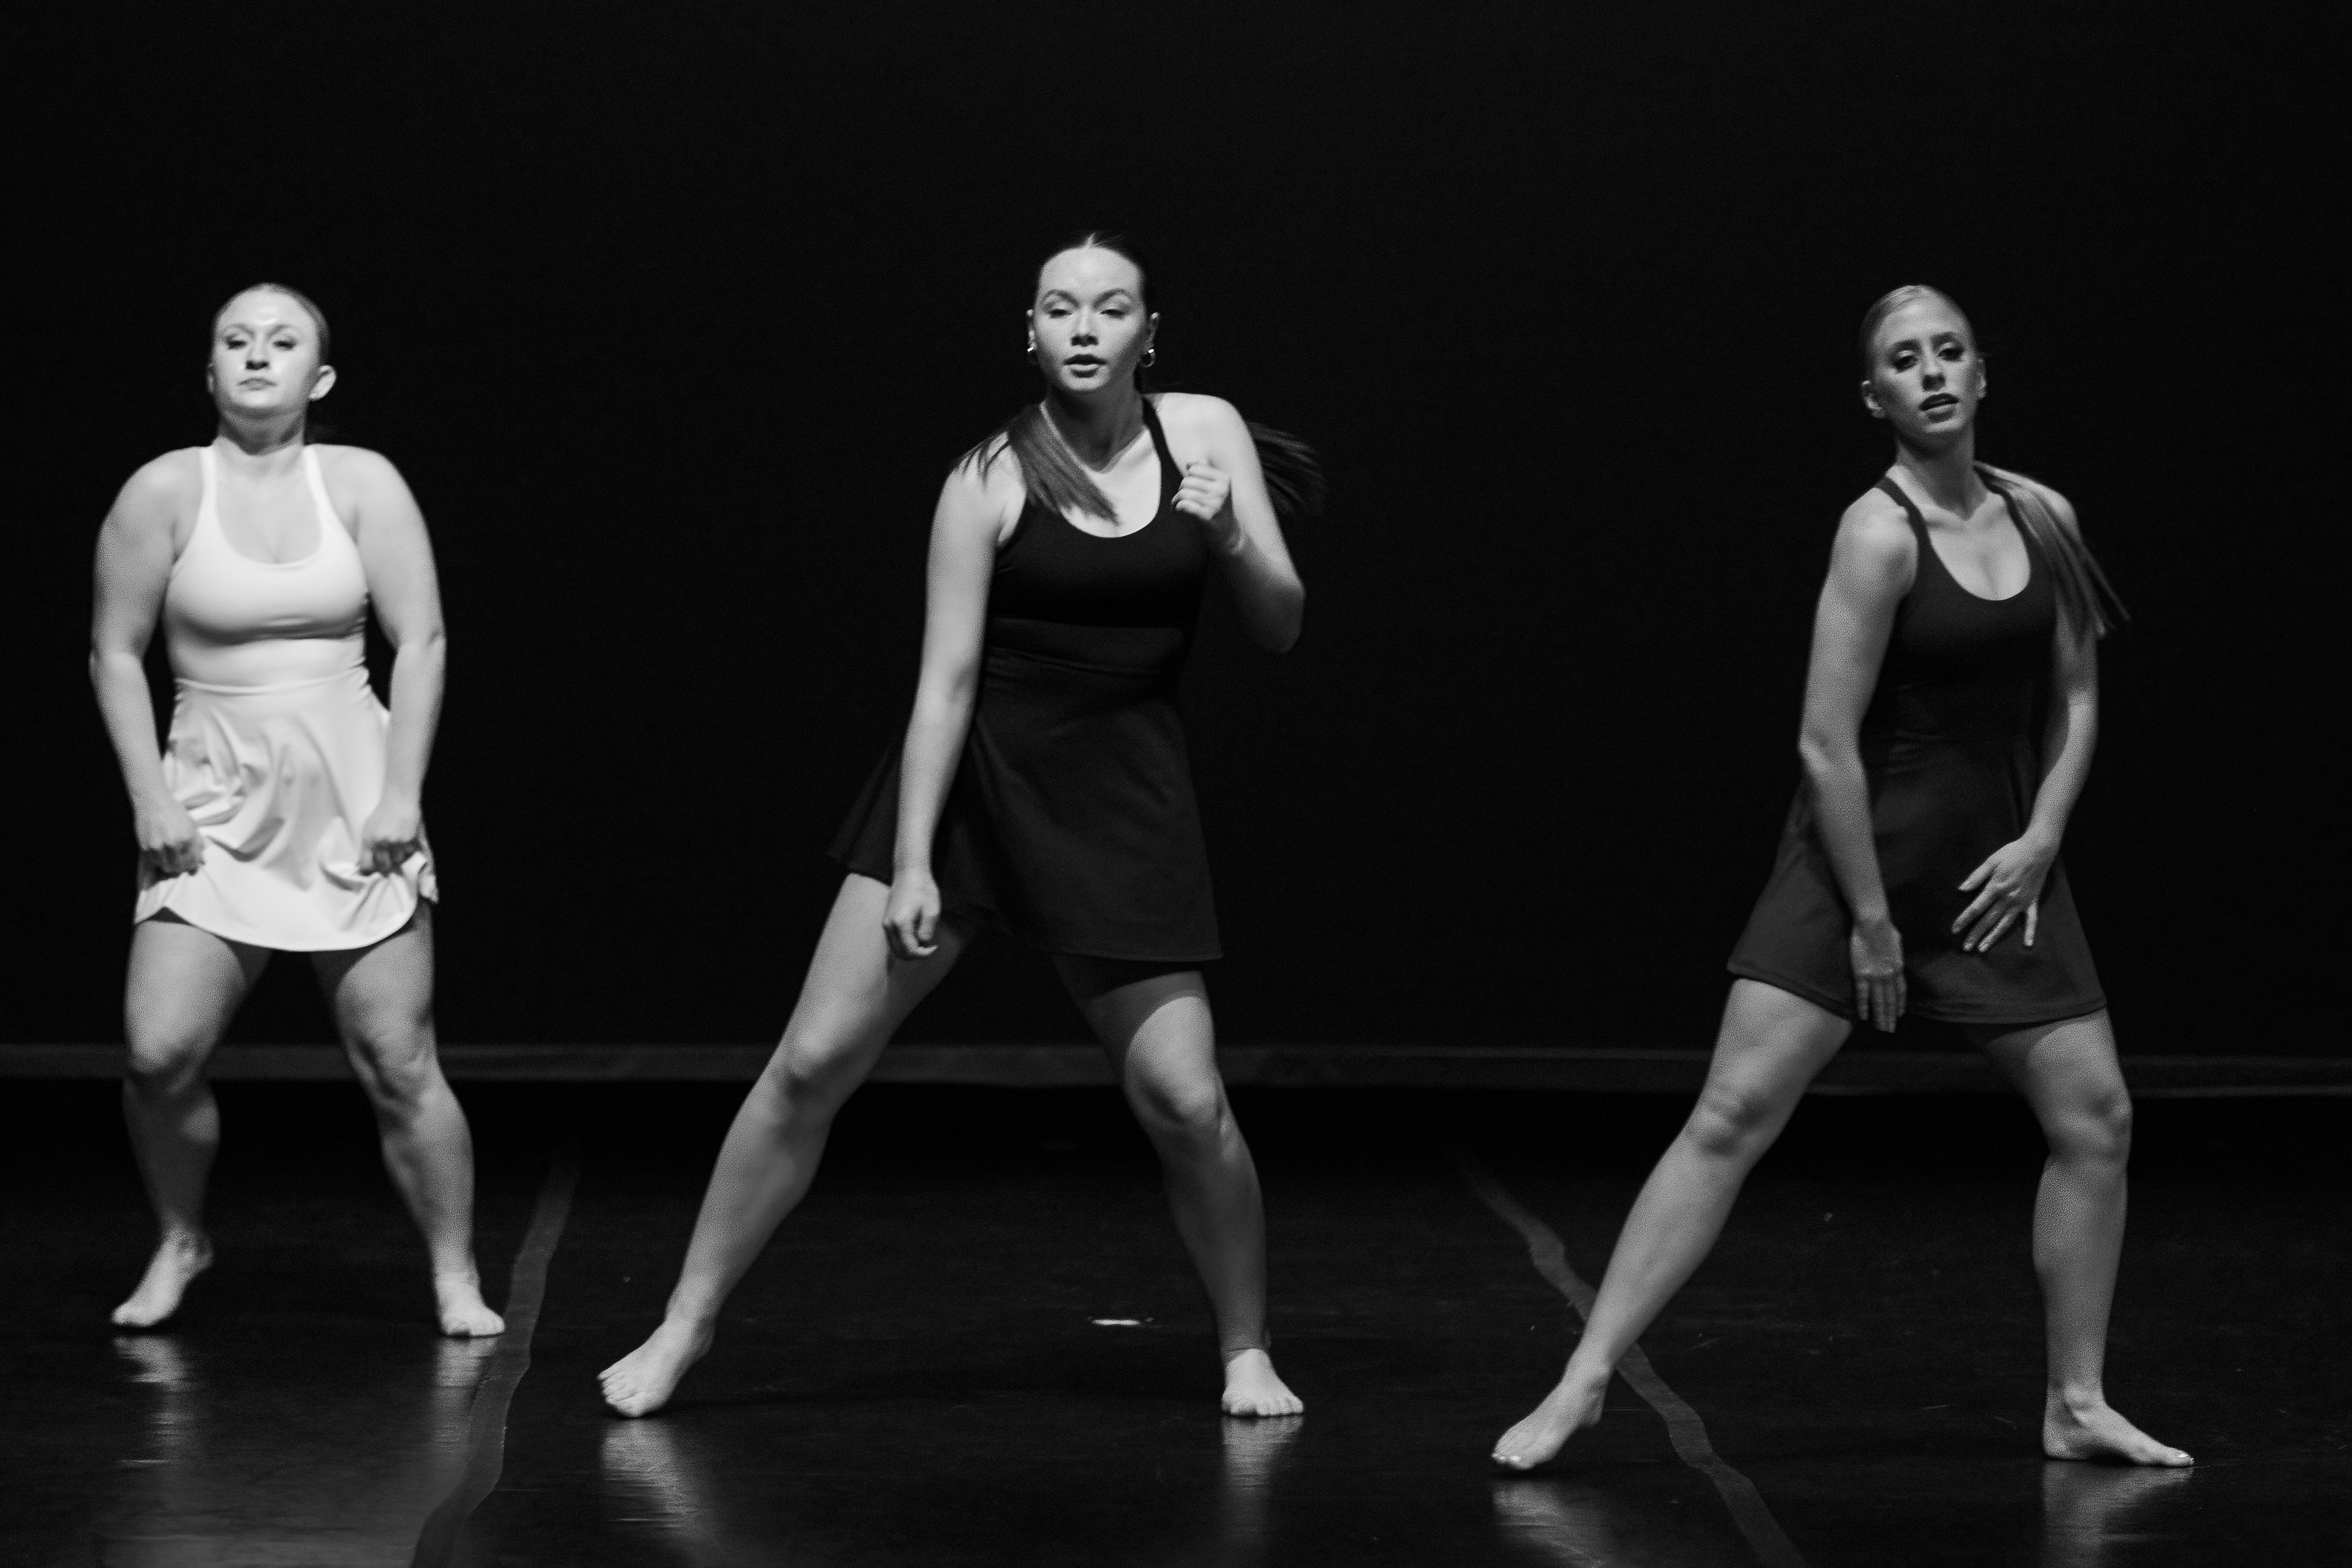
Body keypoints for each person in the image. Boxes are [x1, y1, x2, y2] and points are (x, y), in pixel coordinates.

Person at [600, 233, 1311, 1419]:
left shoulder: (1205, 433)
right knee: (812, 1062)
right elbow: (945, 683)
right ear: (1029, 332)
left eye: (1111, 308)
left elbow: (1281, 624)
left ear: (1150, 333)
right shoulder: (987, 477)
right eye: (1060, 309)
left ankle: (1246, 1349)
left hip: (1122, 798)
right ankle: (685, 1322)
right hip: (978, 781)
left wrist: (1232, 531)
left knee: (1188, 1102)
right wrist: (916, 857)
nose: (1084, 327)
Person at [1491, 286, 2189, 1469]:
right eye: (1904, 361)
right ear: (1875, 397)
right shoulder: (1876, 533)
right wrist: (1869, 920)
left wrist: (2042, 839)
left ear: (1981, 374)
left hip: (1996, 871)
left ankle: (2076, 1403)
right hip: (1859, 860)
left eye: (1950, 352)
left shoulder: (2045, 517)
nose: (1932, 373)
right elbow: (1824, 742)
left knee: (2098, 1120)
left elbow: (2076, 697)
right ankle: (1585, 1380)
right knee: (1731, 1115)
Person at [89, 284, 501, 1337]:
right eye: (236, 340)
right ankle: (181, 1237)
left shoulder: (361, 483)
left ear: (319, 378)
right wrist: (149, 799)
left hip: (352, 801)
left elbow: (423, 642)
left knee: (399, 1060)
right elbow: (114, 654)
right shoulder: (163, 491)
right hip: (212, 802)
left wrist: (400, 793)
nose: (257, 355)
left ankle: (454, 1273)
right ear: (210, 372)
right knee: (157, 1055)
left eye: (282, 342)